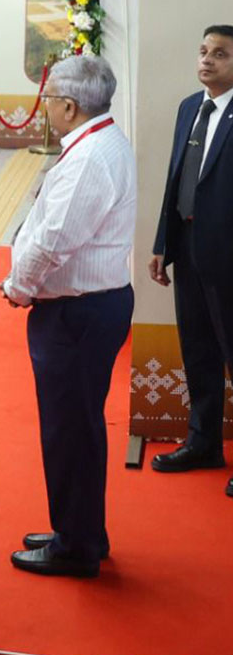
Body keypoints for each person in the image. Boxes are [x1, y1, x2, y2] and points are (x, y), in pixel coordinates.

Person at [0, 53, 136, 577]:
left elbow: (56, 240)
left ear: (70, 106)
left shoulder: (89, 159)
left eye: (49, 97)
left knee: (69, 430)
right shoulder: (97, 143)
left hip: (77, 314)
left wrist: (19, 287)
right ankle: (78, 531)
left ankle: (75, 548)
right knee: (76, 427)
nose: (45, 106)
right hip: (85, 309)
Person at [148, 25, 233, 488]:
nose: (207, 61)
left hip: (228, 256)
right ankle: (203, 442)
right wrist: (164, 243)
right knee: (197, 350)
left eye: (219, 54)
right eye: (203, 51)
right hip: (188, 249)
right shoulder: (188, 108)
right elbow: (175, 179)